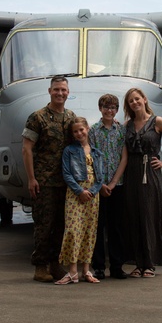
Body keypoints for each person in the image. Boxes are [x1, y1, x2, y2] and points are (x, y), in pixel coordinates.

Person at [122, 87, 162, 278]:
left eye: (137, 99)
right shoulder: (127, 125)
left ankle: (149, 263)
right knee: (134, 217)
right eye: (131, 101)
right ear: (128, 105)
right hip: (131, 172)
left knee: (149, 215)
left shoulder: (157, 122)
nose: (135, 103)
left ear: (144, 99)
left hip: (150, 171)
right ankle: (137, 263)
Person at [22, 75, 75, 283]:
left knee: (61, 225)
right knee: (44, 225)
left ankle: (55, 264)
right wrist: (31, 178)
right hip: (44, 181)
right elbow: (27, 149)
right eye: (56, 90)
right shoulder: (38, 117)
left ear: (68, 92)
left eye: (63, 90)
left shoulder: (71, 117)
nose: (60, 93)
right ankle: (40, 266)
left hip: (66, 181)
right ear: (49, 91)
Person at [55, 117, 105, 285]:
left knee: (89, 231)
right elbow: (67, 173)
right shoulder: (69, 151)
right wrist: (79, 191)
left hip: (92, 196)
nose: (79, 133)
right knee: (73, 230)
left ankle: (86, 270)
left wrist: (92, 191)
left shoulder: (96, 153)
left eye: (81, 130)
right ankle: (72, 271)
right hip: (76, 194)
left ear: (87, 129)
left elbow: (100, 176)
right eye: (75, 131)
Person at [89, 93, 129, 279]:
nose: (109, 111)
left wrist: (113, 183)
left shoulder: (121, 131)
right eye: (106, 107)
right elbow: (91, 158)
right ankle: (98, 266)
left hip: (117, 185)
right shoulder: (94, 131)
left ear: (117, 110)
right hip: (99, 185)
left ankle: (116, 265)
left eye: (113, 108)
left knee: (117, 227)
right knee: (98, 226)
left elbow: (124, 157)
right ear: (100, 108)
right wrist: (102, 183)